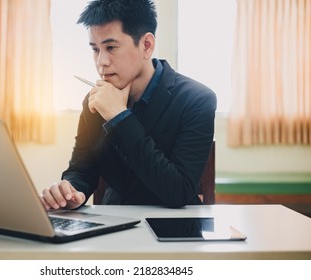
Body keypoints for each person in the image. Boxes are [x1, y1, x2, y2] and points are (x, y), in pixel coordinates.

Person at [41, 0, 216, 210]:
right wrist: (70, 191)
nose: (101, 62)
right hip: (114, 222)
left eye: (111, 47)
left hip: (173, 228)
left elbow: (178, 192)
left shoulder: (197, 99)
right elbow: (82, 170)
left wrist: (119, 117)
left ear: (146, 45)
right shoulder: (94, 100)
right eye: (95, 49)